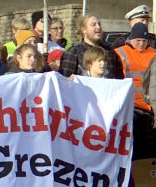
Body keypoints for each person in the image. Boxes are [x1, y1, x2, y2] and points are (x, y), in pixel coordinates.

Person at [114, 22, 156, 160]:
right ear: (131, 39)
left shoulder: (153, 54)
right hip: (132, 106)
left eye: (144, 41)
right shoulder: (120, 53)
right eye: (138, 40)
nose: (141, 44)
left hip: (150, 106)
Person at [58, 15, 124, 79]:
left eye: (99, 24)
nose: (98, 27)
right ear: (84, 30)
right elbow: (64, 81)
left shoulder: (110, 52)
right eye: (93, 25)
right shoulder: (73, 52)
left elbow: (119, 79)